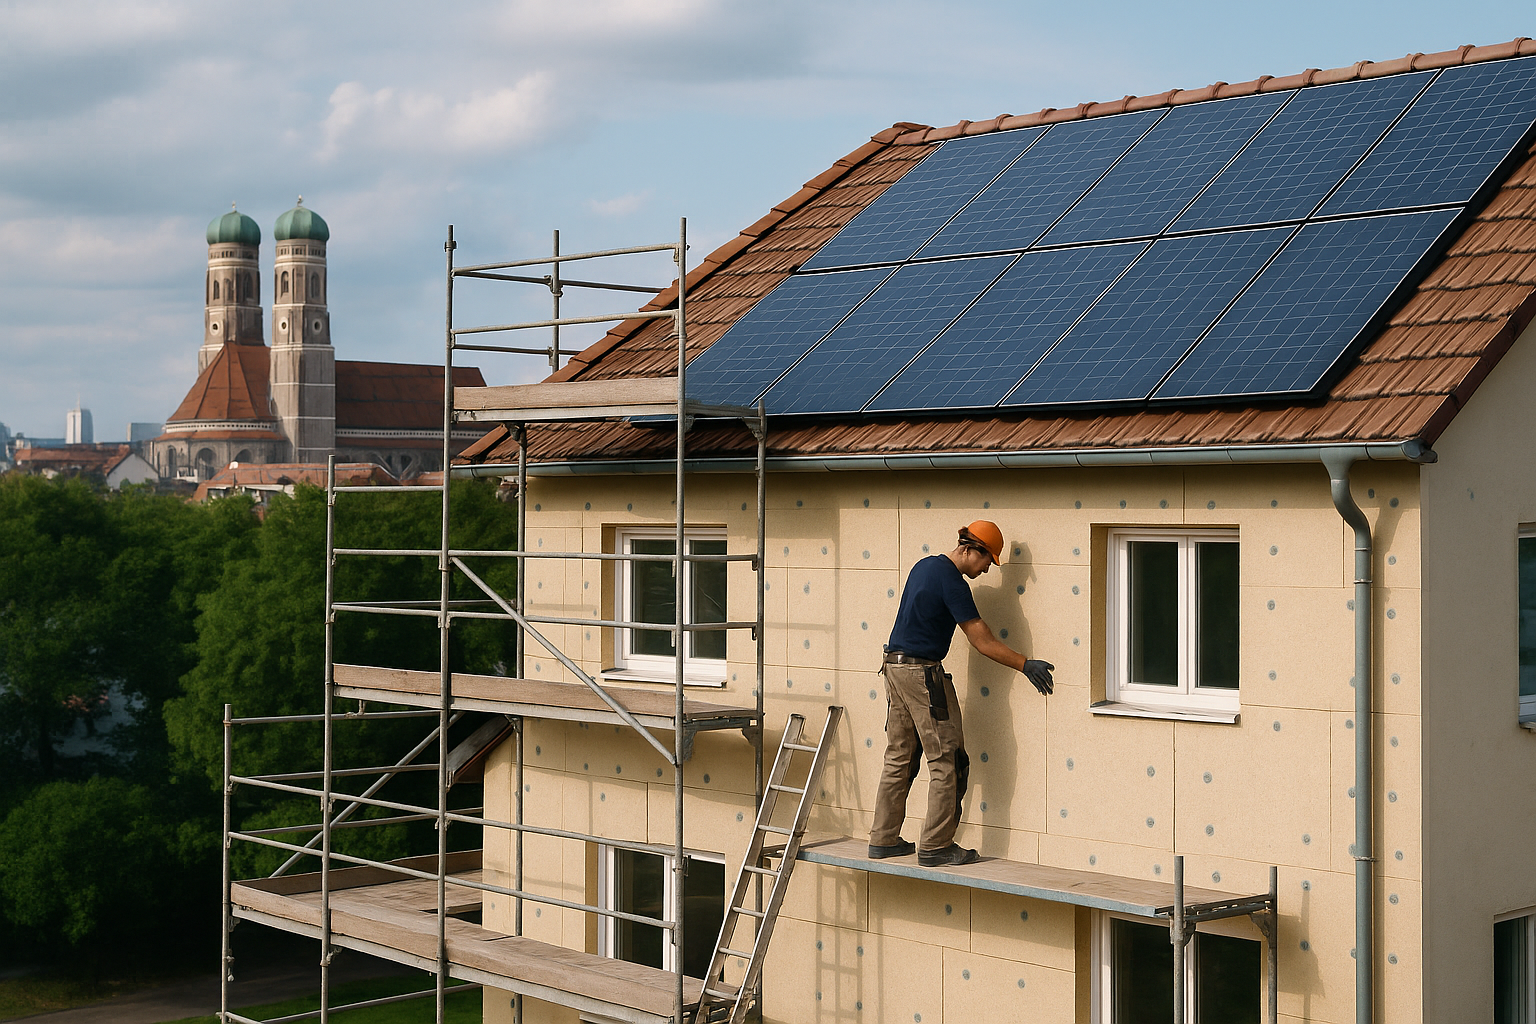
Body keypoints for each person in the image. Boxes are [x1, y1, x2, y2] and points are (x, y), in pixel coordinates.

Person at [868, 520, 1054, 867]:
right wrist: (1024, 664)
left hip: (894, 667)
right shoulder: (952, 582)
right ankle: (936, 846)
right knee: (948, 759)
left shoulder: (924, 566)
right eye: (987, 561)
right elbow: (982, 641)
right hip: (921, 674)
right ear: (971, 549)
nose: (986, 570)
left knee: (900, 757)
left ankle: (883, 838)